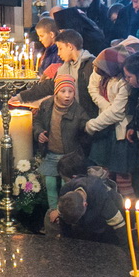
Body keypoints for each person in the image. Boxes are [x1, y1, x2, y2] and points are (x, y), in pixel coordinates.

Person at [85, 37, 139, 195]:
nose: (99, 74)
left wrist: (92, 125)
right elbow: (93, 87)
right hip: (105, 128)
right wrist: (106, 107)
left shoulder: (124, 82)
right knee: (104, 173)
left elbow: (118, 112)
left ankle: (128, 211)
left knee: (122, 176)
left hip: (120, 133)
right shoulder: (104, 72)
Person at [33, 75, 91, 208]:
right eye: (63, 91)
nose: (67, 96)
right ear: (56, 92)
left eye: (70, 92)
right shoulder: (47, 105)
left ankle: (65, 211)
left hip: (69, 156)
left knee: (67, 186)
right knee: (50, 184)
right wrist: (39, 132)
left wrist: (87, 128)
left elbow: (86, 127)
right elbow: (37, 121)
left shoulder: (78, 110)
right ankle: (52, 211)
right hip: (51, 153)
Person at [53, 174, 127, 244]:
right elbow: (64, 221)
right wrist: (65, 241)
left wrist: (125, 248)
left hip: (107, 217)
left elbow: (118, 223)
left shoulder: (100, 196)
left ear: (85, 204)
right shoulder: (65, 190)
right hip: (87, 219)